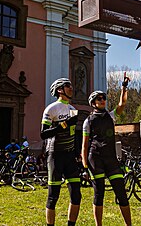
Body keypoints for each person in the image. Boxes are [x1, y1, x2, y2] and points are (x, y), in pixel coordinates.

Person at [81, 74, 132, 226]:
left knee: (121, 193)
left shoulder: (111, 116)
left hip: (110, 158)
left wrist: (124, 87)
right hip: (95, 158)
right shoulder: (88, 121)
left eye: (104, 98)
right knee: (99, 193)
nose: (103, 100)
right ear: (93, 103)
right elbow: (84, 145)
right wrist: (84, 166)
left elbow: (122, 104)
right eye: (99, 99)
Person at [40, 78, 81, 226]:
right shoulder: (51, 109)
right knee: (53, 196)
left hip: (70, 156)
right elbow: (43, 134)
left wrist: (78, 154)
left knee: (76, 195)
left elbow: (74, 133)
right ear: (60, 90)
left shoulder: (73, 109)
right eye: (68, 86)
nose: (71, 88)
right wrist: (63, 124)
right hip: (55, 155)